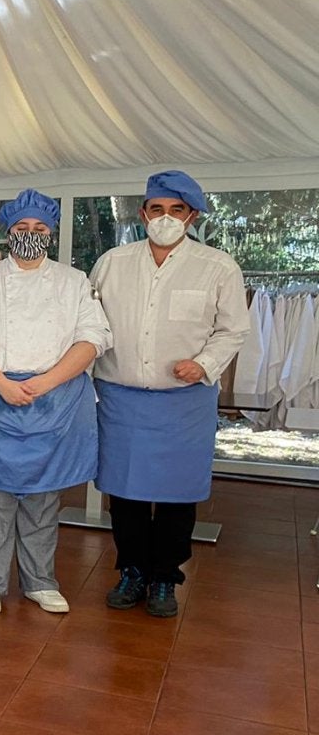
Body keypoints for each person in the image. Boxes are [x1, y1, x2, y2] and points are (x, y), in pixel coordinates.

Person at [0, 189, 111, 614]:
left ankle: (40, 581)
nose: (30, 235)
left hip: (55, 399)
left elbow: (95, 337)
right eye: (21, 228)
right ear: (8, 232)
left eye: (38, 229)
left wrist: (46, 382)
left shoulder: (74, 282)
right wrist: (1, 383)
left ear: (49, 233)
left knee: (42, 497)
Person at [90, 171, 247, 617]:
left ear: (192, 215)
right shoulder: (112, 262)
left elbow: (233, 329)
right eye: (156, 209)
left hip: (185, 401)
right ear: (143, 213)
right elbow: (92, 323)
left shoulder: (218, 266)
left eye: (176, 210)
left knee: (178, 494)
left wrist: (205, 363)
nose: (165, 218)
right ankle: (132, 571)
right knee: (126, 492)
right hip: (120, 397)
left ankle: (165, 578)